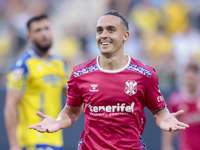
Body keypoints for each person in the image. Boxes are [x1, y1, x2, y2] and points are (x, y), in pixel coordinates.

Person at [29, 10, 189, 150]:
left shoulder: (144, 74)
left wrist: (164, 119)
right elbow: (71, 111)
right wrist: (58, 122)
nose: (103, 35)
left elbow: (159, 111)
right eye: (99, 30)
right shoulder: (80, 74)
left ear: (126, 35)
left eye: (111, 30)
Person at [4, 14, 68, 150]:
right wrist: (14, 145)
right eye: (38, 30)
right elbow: (10, 106)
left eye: (46, 28)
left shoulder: (60, 64)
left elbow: (72, 98)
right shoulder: (23, 65)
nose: (44, 33)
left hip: (55, 138)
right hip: (32, 140)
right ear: (29, 37)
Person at [162, 62, 200, 150]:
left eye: (191, 78)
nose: (189, 81)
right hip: (186, 147)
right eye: (187, 78)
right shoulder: (175, 100)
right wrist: (167, 146)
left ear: (198, 78)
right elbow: (169, 124)